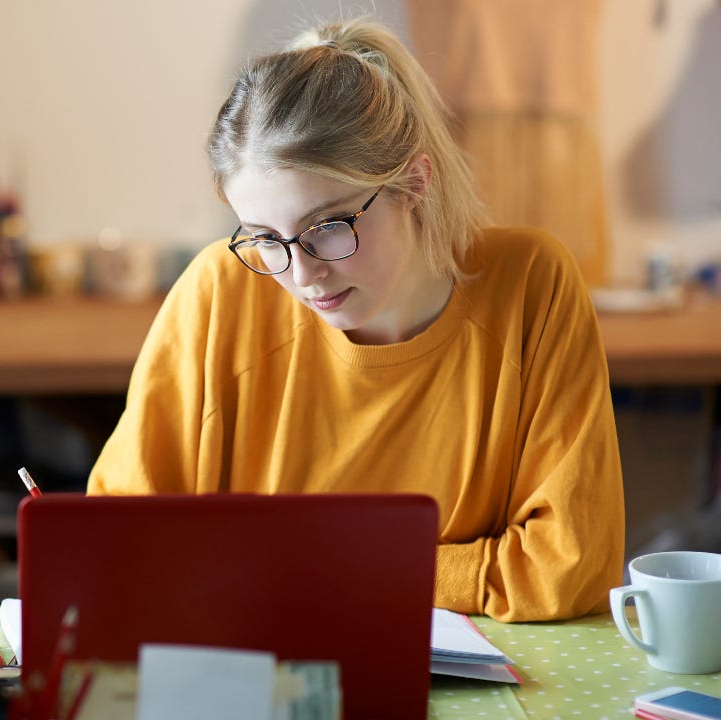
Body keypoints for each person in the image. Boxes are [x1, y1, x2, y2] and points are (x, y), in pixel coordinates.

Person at [86, 17, 624, 623]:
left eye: (327, 226)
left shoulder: (531, 284)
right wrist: (435, 570)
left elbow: (568, 566)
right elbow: (118, 538)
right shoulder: (220, 291)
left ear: (413, 184)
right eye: (265, 237)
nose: (303, 274)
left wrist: (314, 567)